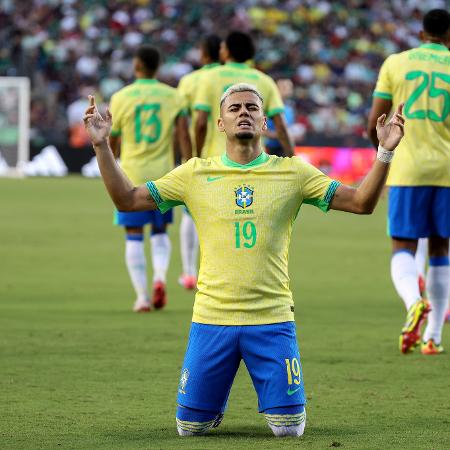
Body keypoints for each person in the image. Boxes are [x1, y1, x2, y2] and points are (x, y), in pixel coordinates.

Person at [83, 83, 404, 436]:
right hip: (211, 319)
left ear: (265, 122)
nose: (244, 113)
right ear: (220, 123)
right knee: (189, 429)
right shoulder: (194, 173)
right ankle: (210, 404)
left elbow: (362, 203)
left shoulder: (293, 172)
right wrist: (101, 145)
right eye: (234, 108)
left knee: (288, 430)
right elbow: (127, 200)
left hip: (272, 319)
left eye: (252, 108)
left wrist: (385, 153)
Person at [368, 9, 450, 355]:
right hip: (447, 170)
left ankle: (414, 302)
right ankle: (433, 337)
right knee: (440, 249)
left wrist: (384, 158)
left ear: (421, 33)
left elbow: (375, 119)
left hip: (407, 169)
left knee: (403, 246)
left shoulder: (395, 63)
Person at [108, 45, 191, 312]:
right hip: (164, 175)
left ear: (136, 66)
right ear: (158, 68)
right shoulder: (173, 96)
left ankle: (142, 297)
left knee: (133, 235)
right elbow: (182, 134)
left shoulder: (121, 97)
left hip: (130, 175)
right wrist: (188, 164)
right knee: (160, 231)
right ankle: (159, 277)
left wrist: (111, 165)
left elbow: (114, 139)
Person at [194, 31, 294, 158]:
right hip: (254, 160)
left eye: (223, 47)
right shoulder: (265, 80)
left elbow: (201, 123)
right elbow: (281, 127)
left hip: (218, 159)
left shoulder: (210, 77)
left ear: (226, 51)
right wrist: (292, 158)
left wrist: (196, 157)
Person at [176, 35, 221, 290]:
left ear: (203, 54)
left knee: (189, 214)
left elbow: (183, 125)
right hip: (232, 156)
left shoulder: (190, 81)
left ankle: (189, 271)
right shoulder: (233, 79)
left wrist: (188, 156)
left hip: (201, 156)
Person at [264, 78, 297, 156]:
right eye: (284, 87)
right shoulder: (268, 106)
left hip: (285, 148)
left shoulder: (290, 107)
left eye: (289, 87)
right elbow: (259, 129)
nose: (287, 90)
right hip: (269, 149)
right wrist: (278, 135)